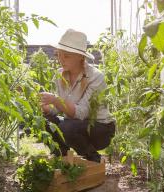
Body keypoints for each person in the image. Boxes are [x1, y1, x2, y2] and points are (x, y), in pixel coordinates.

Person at [39, 29, 116, 163]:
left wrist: (56, 100)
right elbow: (57, 110)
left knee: (67, 127)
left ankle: (93, 158)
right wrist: (45, 107)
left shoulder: (95, 77)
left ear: (80, 56)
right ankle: (62, 158)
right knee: (45, 122)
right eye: (59, 55)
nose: (61, 59)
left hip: (100, 130)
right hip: (75, 124)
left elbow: (81, 113)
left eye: (66, 56)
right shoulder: (59, 74)